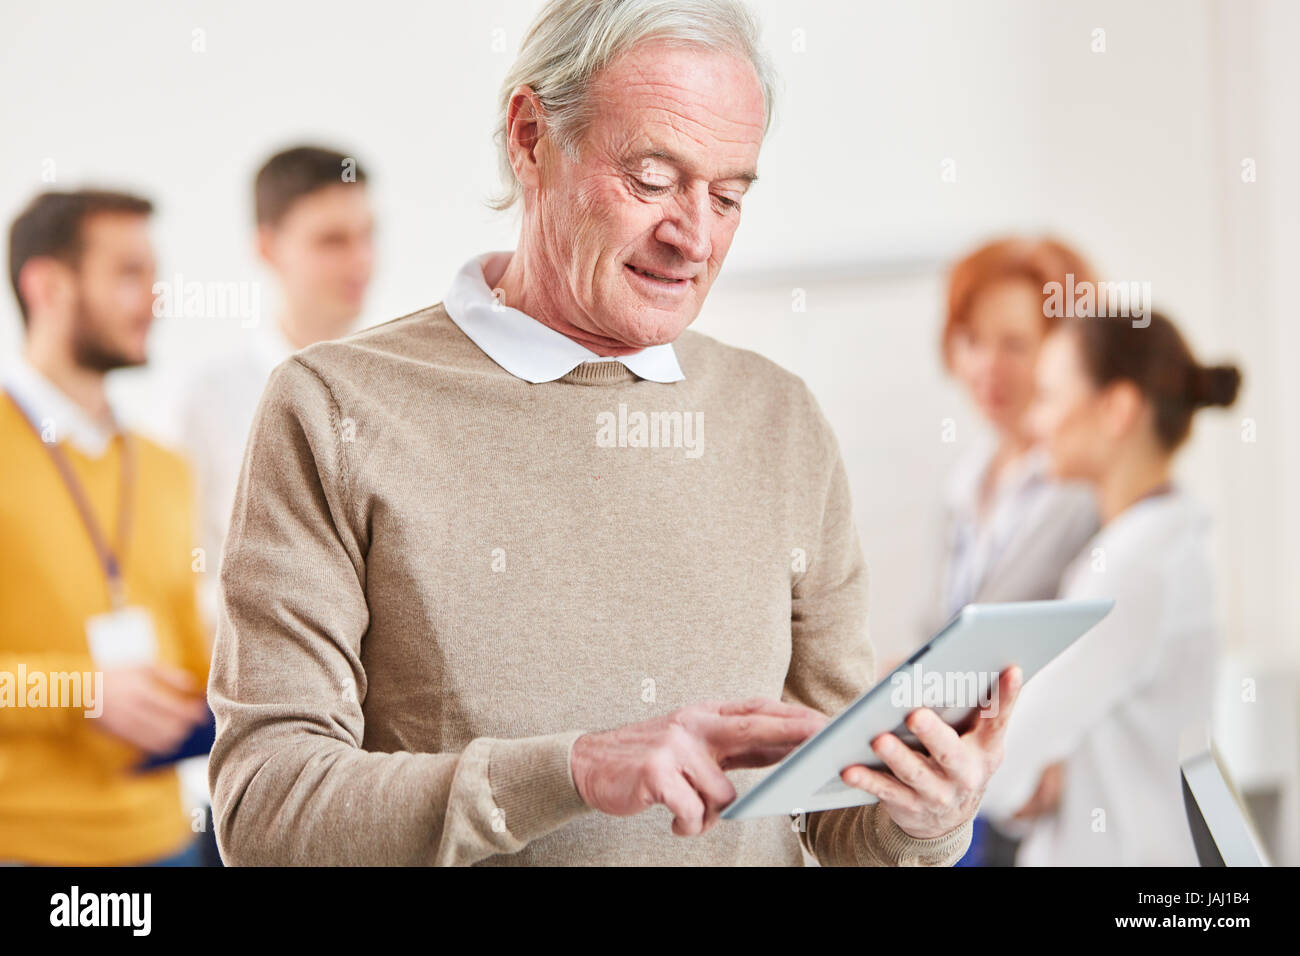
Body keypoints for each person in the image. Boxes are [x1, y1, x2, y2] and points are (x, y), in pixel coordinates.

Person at [207, 0, 1022, 866]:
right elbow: (268, 809)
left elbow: (840, 813)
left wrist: (925, 817)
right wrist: (570, 771)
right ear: (529, 137)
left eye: (728, 195)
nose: (693, 238)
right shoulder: (333, 406)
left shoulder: (777, 417)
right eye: (653, 178)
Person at [978, 309, 1241, 865]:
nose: (1035, 423)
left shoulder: (1133, 566)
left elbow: (997, 764)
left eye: (1048, 396)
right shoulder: (1153, 541)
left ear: (1117, 409)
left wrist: (1025, 778)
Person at [0, 190, 211, 865]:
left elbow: (188, 647)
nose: (154, 299)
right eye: (127, 274)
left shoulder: (164, 467)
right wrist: (81, 689)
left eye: (153, 274)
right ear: (47, 286)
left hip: (166, 839)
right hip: (29, 847)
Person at [920, 237, 1101, 865]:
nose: (988, 367)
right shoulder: (968, 479)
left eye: (1015, 344)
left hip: (1039, 796)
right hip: (962, 778)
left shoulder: (1088, 488)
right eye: (972, 340)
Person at [155, 145, 374, 631]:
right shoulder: (204, 398)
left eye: (367, 236)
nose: (360, 261)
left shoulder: (398, 389)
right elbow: (180, 575)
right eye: (332, 241)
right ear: (268, 249)